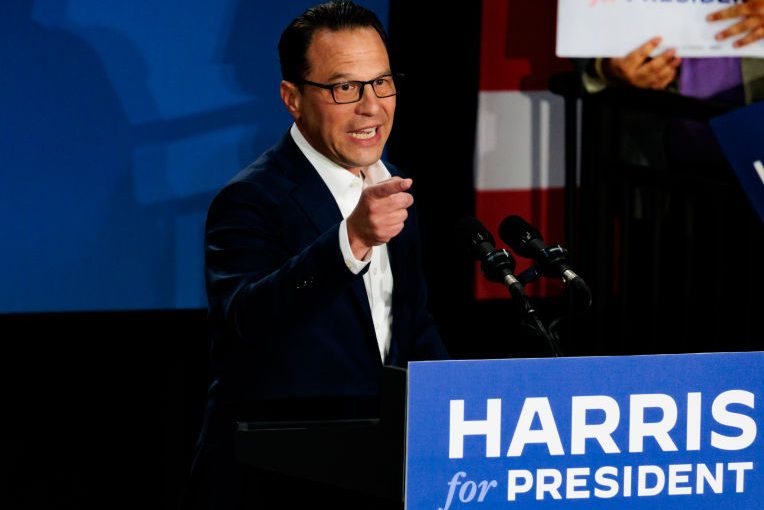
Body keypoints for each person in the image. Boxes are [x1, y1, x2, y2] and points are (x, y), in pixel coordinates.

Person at [184, 2, 448, 508]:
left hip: (379, 471)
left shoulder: (395, 188)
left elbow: (411, 326)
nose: (371, 106)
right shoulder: (252, 199)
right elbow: (245, 320)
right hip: (276, 480)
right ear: (292, 99)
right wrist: (350, 242)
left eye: (382, 83)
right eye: (344, 88)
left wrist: (459, 411)